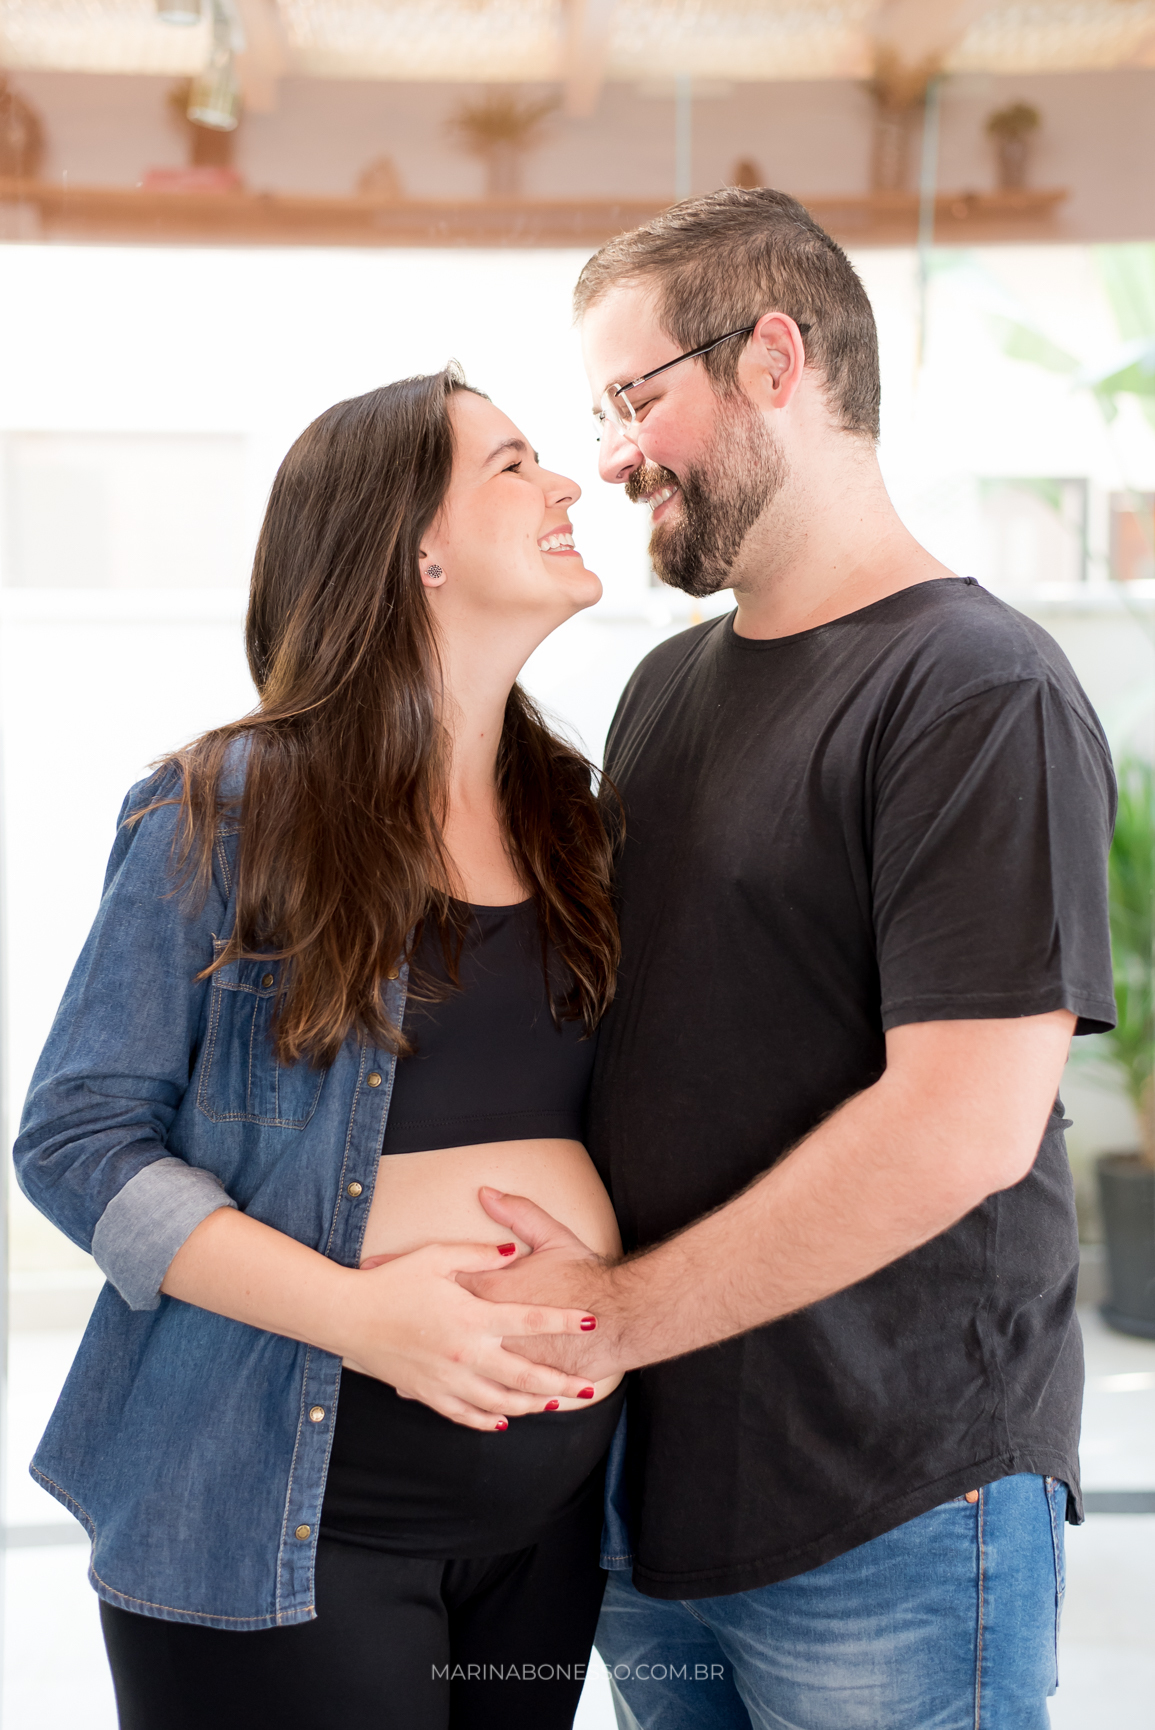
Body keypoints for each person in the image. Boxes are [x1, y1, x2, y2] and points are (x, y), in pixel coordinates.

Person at [463, 188, 1117, 1729]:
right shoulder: (665, 692)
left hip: (893, 1502)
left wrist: (608, 1315)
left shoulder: (978, 691)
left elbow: (961, 1127)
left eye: (634, 399)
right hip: (661, 1501)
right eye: (600, 415)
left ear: (773, 360)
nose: (611, 457)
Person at [14, 366, 627, 1730]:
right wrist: (367, 1319)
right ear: (416, 546)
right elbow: (75, 1141)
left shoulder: (574, 818)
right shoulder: (228, 804)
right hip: (280, 1522)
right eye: (515, 464)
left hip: (542, 1532)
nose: (568, 484)